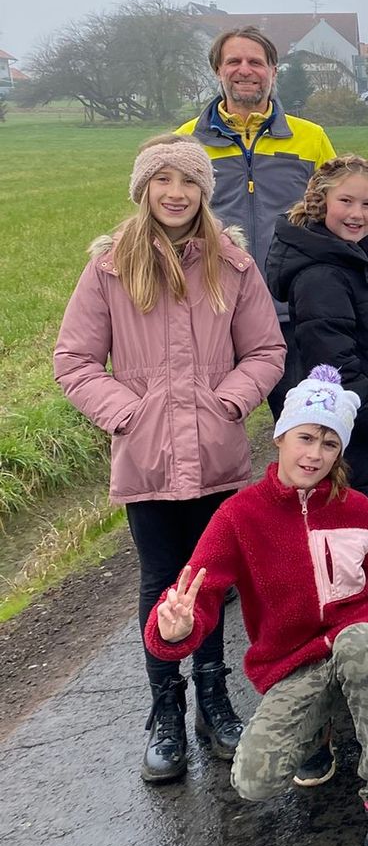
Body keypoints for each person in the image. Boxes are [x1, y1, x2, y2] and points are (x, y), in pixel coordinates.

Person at [143, 365, 368, 846]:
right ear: (280, 436)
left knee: (358, 644)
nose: (315, 454)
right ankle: (318, 727)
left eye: (329, 443)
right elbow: (197, 593)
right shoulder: (238, 516)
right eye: (305, 438)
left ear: (340, 452)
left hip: (366, 639)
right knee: (253, 780)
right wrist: (174, 630)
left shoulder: (357, 509)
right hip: (295, 660)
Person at [54, 133, 284, 783]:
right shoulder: (109, 269)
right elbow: (73, 360)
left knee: (207, 580)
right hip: (148, 459)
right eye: (163, 180)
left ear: (204, 193)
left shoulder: (232, 265)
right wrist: (128, 414)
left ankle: (214, 701)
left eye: (188, 182)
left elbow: (266, 351)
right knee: (160, 580)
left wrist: (228, 403)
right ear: (144, 189)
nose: (176, 193)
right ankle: (166, 712)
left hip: (216, 454)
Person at [179, 25, 336, 415]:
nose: (245, 70)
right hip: (214, 311)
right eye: (234, 61)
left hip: (292, 312)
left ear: (273, 71)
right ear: (218, 70)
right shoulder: (184, 143)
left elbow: (336, 219)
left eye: (256, 62)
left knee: (304, 424)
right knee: (210, 425)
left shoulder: (311, 138)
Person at [265, 156, 368, 542]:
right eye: (345, 201)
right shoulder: (322, 276)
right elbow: (335, 366)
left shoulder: (357, 259)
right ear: (322, 202)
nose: (356, 214)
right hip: (363, 440)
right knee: (361, 543)